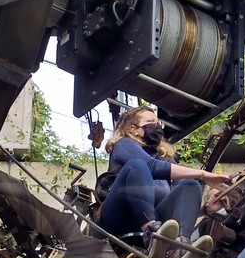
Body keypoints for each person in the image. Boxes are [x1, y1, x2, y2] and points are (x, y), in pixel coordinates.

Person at [96, 106, 231, 248]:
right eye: (151, 121)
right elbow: (151, 166)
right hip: (118, 218)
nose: (157, 126)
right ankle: (151, 233)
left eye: (158, 122)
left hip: (154, 222)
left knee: (191, 185)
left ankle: (181, 246)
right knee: (137, 165)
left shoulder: (164, 158)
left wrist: (206, 209)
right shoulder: (124, 145)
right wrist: (203, 174)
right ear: (134, 129)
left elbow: (179, 203)